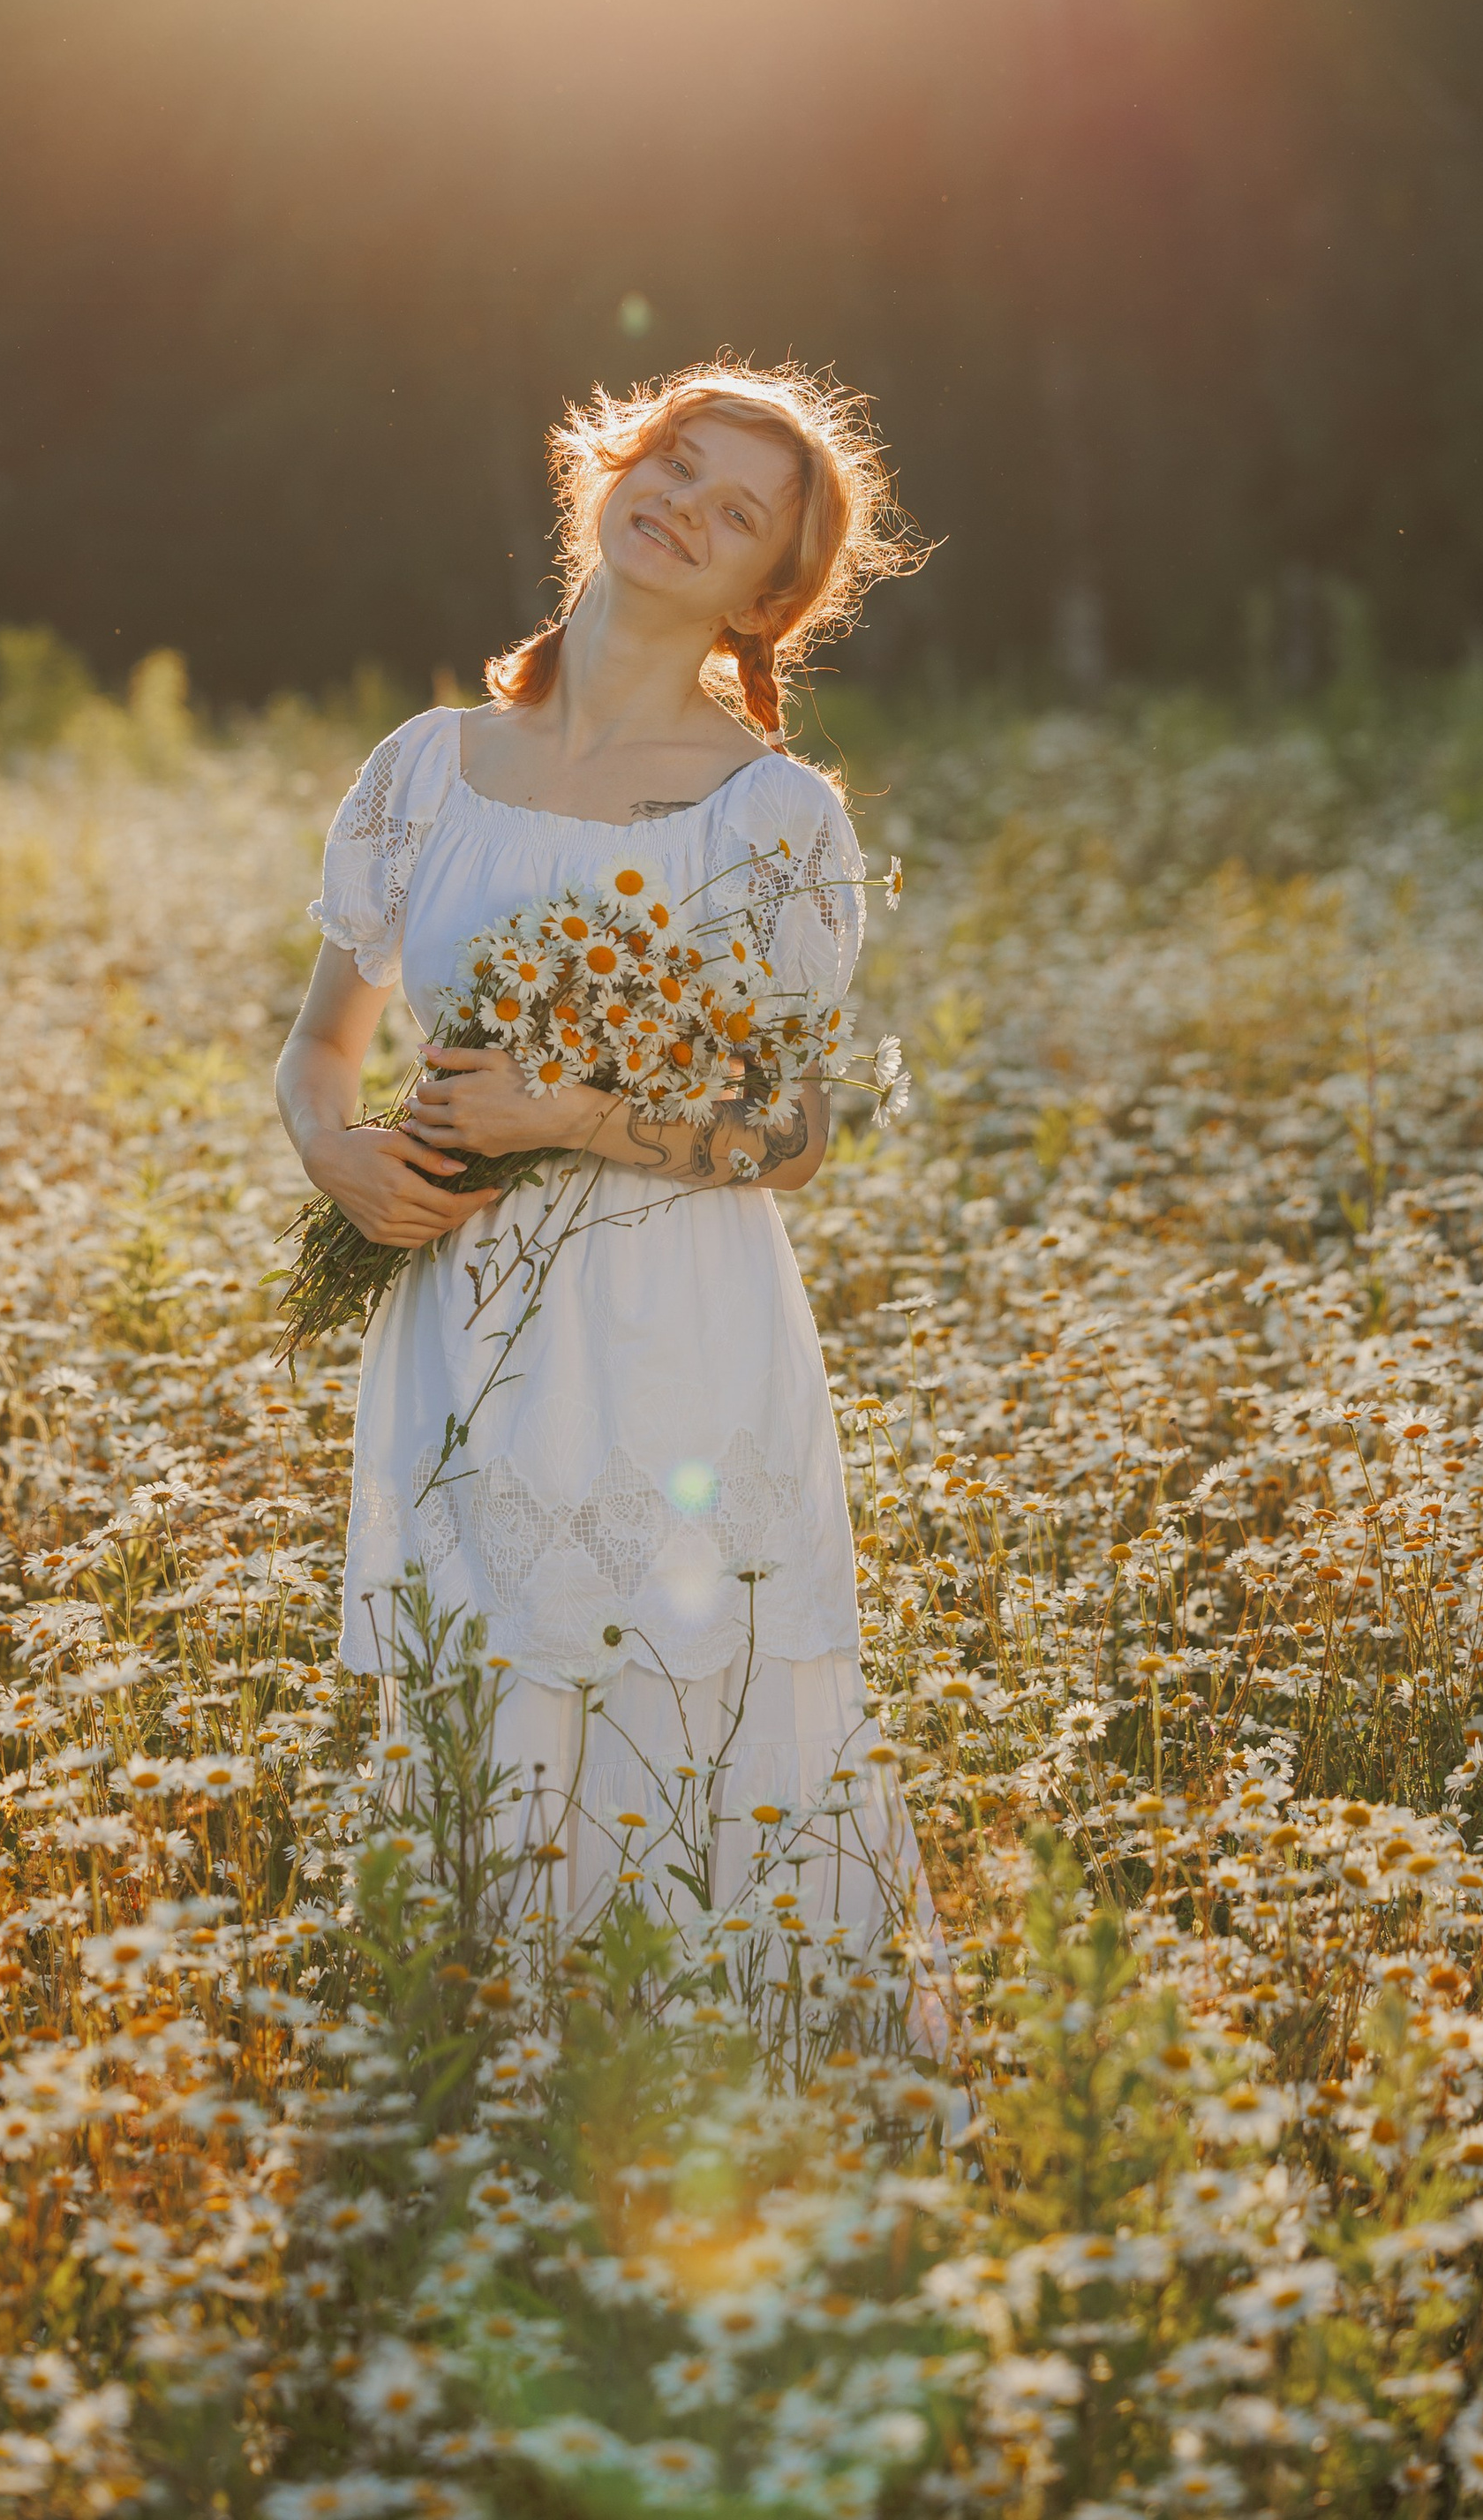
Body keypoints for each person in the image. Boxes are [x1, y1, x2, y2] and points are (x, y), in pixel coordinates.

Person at [276, 358, 936, 1982]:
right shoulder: (426, 767)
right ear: (608, 473)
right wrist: (340, 1159)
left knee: (679, 1688)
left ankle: (721, 2081)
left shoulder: (770, 815)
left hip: (678, 1329)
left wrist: (567, 1115)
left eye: (735, 515)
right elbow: (319, 1047)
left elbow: (794, 1137)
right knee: (478, 1693)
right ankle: (485, 2080)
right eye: (674, 467)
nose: (683, 512)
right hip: (460, 1315)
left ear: (766, 597)